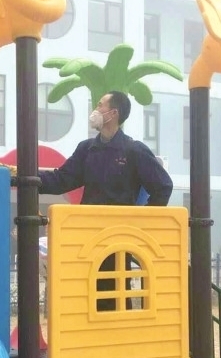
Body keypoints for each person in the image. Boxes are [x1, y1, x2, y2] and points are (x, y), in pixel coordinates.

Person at [39, 90, 173, 310]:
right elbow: (61, 180)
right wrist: (26, 178)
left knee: (115, 295)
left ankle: (122, 332)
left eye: (100, 105)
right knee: (85, 296)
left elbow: (163, 187)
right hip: (86, 239)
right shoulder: (86, 149)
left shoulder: (134, 151)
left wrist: (139, 224)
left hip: (117, 240)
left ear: (113, 113)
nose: (96, 109)